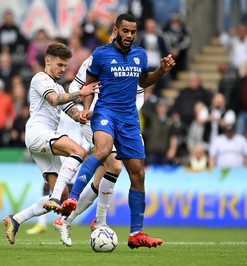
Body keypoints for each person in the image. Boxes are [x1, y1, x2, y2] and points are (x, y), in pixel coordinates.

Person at [61, 14, 175, 249]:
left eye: (133, 32)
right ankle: (72, 198)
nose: (129, 36)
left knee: (138, 174)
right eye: (125, 31)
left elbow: (142, 82)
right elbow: (88, 86)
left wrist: (161, 71)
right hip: (105, 113)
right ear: (116, 30)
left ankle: (136, 234)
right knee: (102, 151)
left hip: (129, 119)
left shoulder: (140, 55)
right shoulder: (101, 54)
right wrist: (85, 108)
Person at [53, 32, 145, 247]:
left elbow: (139, 94)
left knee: (111, 170)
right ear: (114, 33)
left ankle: (69, 219)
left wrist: (126, 112)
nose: (121, 38)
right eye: (117, 33)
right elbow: (77, 88)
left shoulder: (132, 60)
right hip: (96, 119)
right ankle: (95, 219)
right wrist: (86, 110)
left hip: (121, 120)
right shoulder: (96, 59)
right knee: (113, 165)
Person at [3, 42, 99, 245]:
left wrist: (84, 114)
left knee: (63, 195)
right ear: (48, 61)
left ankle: (16, 219)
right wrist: (81, 92)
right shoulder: (40, 78)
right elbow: (55, 100)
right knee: (79, 151)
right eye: (60, 65)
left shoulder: (57, 86)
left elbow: (71, 112)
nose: (63, 69)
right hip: (38, 132)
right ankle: (54, 198)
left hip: (43, 140)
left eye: (65, 66)